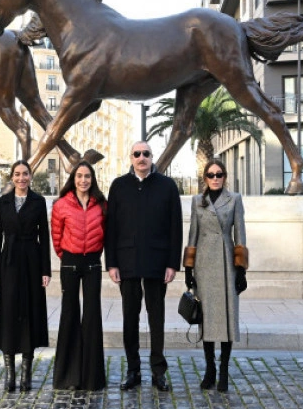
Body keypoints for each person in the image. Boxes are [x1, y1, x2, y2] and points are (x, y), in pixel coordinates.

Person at [105, 140, 182, 392]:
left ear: (152, 157)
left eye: (146, 154)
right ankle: (133, 370)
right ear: (131, 158)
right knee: (130, 318)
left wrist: (172, 263)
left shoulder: (167, 186)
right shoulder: (118, 186)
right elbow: (111, 227)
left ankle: (158, 371)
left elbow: (175, 227)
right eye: (137, 154)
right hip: (126, 262)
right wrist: (111, 263)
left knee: (156, 318)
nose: (141, 158)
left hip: (157, 262)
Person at [185, 158, 247, 393]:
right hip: (203, 265)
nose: (215, 178)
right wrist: (188, 270)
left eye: (219, 174)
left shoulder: (235, 199)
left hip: (226, 264)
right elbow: (192, 235)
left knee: (227, 317)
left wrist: (241, 270)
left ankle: (224, 370)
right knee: (207, 318)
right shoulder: (197, 202)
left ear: (225, 177)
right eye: (210, 175)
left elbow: (240, 235)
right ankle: (209, 368)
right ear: (205, 178)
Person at [0, 160, 51, 393]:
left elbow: (44, 238)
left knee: (30, 314)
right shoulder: (2, 202)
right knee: (8, 314)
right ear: (12, 177)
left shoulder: (38, 201)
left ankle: (26, 373)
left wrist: (46, 270)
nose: (21, 178)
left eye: (25, 174)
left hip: (32, 262)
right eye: (17, 174)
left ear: (31, 176)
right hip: (8, 264)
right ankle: (10, 373)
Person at [50, 161, 107, 391]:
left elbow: (105, 234)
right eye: (79, 176)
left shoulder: (101, 204)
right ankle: (68, 377)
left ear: (92, 179)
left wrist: (93, 254)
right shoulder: (61, 205)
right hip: (70, 262)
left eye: (87, 176)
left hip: (92, 262)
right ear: (73, 179)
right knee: (70, 314)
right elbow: (56, 237)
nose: (83, 180)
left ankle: (92, 378)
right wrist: (68, 256)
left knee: (92, 315)